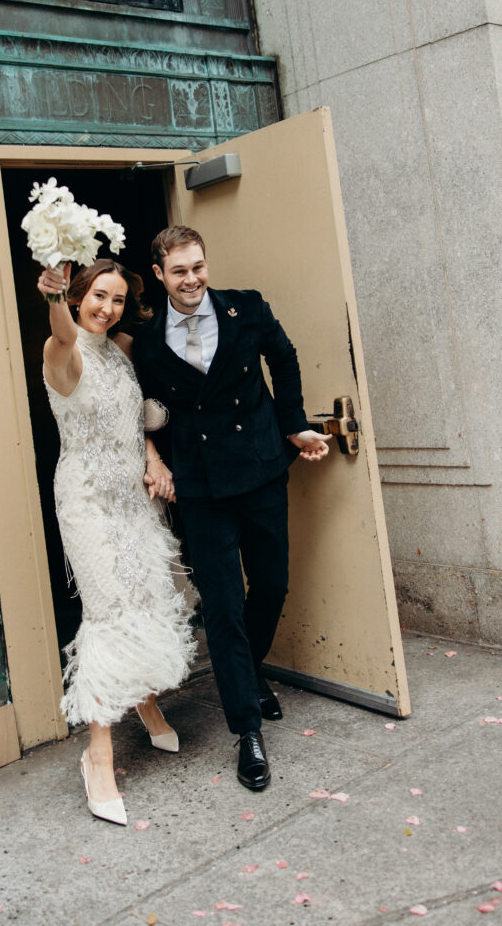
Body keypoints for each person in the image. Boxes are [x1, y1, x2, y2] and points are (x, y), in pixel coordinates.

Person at [133, 226, 331, 792]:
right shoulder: (147, 343)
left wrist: (293, 424)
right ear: (160, 275)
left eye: (198, 266)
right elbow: (140, 411)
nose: (192, 279)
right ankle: (246, 727)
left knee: (271, 587)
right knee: (221, 608)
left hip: (262, 468)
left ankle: (248, 673)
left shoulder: (248, 308)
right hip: (200, 489)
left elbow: (284, 358)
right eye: (179, 271)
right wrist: (157, 458)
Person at [38, 257, 195, 826]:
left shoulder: (123, 349)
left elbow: (136, 422)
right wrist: (53, 296)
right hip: (87, 502)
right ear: (79, 295)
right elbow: (61, 331)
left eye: (118, 299)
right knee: (108, 611)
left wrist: (153, 459)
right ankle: (98, 757)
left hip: (134, 498)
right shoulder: (65, 350)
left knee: (147, 595)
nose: (107, 308)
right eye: (98, 296)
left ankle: (146, 698)